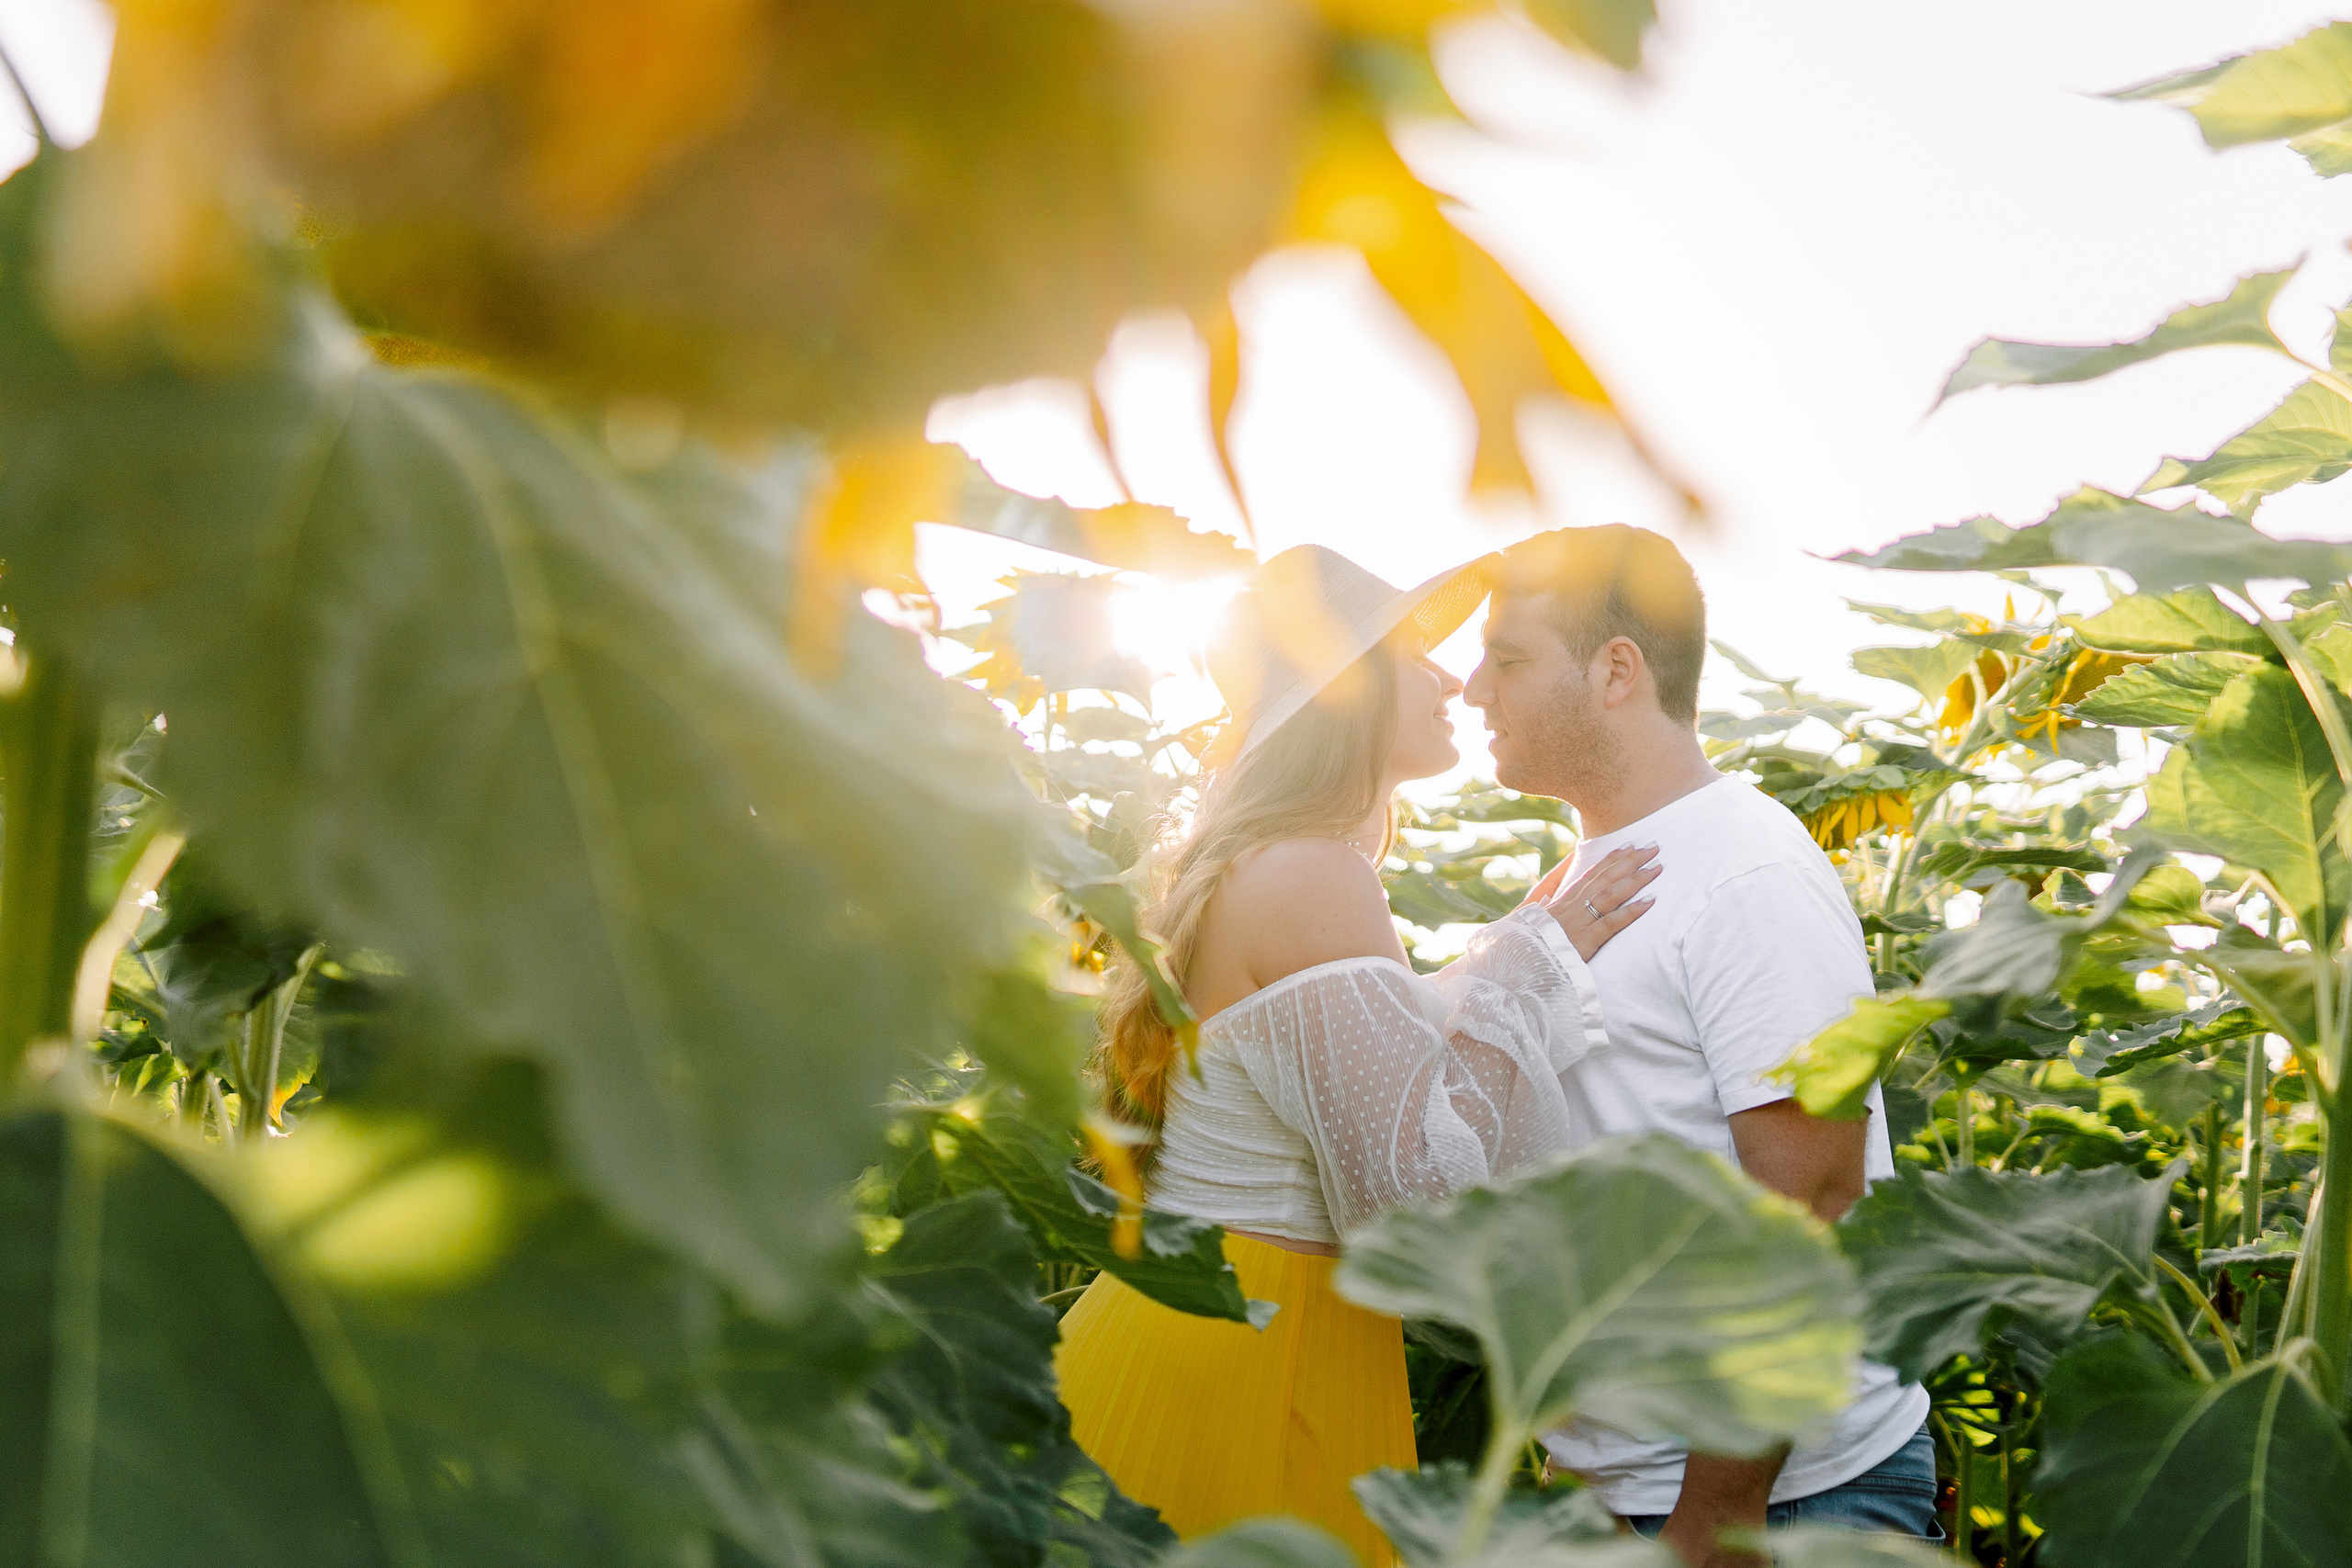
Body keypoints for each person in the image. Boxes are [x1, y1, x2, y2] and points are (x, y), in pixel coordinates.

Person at [1054, 544, 1661, 1566]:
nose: (1446, 678)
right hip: (1254, 1356)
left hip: (1220, 1329)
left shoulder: (1273, 866)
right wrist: (1526, 967)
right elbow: (1406, 1196)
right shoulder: (1314, 876)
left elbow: (1353, 1063)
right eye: (1409, 653)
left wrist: (1511, 961)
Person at [1463, 525, 1937, 1564]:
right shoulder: (1584, 880)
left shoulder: (1743, 872)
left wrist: (1713, 1515)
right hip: (1617, 1493)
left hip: (1785, 1500)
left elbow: (1807, 1194)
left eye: (1505, 660)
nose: (1471, 691)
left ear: (1615, 671)